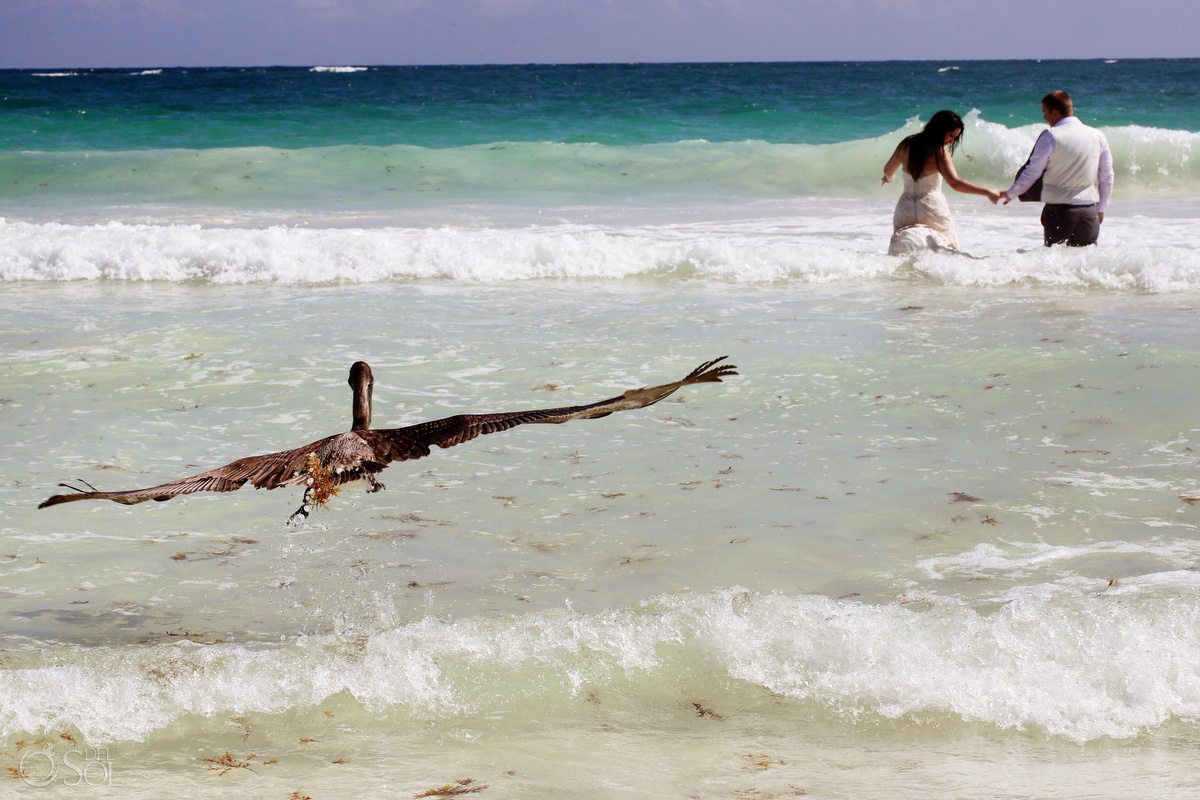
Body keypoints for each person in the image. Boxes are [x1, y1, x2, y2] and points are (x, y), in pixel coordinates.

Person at [1002, 90, 1114, 247]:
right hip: (1088, 212)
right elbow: (1107, 177)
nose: (1044, 117)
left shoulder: (1050, 136)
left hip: (1060, 212)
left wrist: (1010, 194)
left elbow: (1032, 172)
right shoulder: (1098, 135)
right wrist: (1101, 208)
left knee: (1055, 266)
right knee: (1084, 266)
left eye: (1045, 113)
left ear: (1054, 113)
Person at [882, 110, 1002, 255]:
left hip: (905, 209)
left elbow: (888, 169)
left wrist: (889, 178)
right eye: (951, 135)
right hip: (931, 209)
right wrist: (988, 192)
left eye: (955, 137)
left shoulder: (907, 144)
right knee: (948, 252)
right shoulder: (939, 152)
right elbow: (955, 183)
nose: (952, 140)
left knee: (904, 252)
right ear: (940, 128)